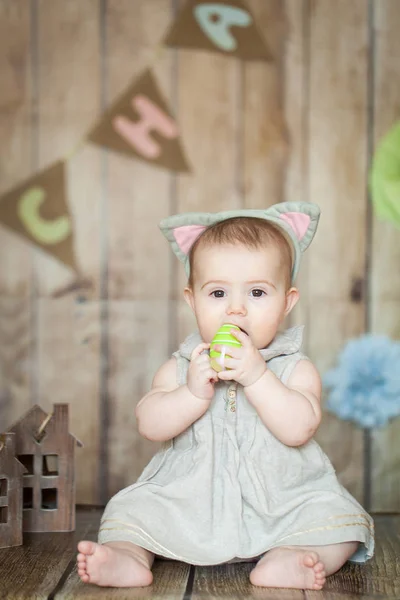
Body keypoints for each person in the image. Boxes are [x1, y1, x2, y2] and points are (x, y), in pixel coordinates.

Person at [77, 202, 374, 590]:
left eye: (256, 292)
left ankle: (296, 558)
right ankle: (129, 557)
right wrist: (191, 394)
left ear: (287, 302)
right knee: (130, 510)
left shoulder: (294, 369)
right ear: (192, 300)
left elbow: (298, 429)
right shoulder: (181, 368)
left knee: (340, 520)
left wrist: (257, 375)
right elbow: (149, 424)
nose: (236, 309)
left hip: (283, 500)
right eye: (217, 293)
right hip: (188, 501)